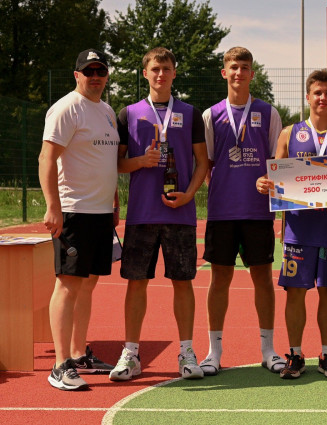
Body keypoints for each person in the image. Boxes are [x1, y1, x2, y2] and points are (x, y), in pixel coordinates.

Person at [109, 47, 208, 381]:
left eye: (166, 68)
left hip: (180, 213)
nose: (161, 74)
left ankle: (187, 352)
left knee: (183, 283)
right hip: (141, 214)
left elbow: (202, 162)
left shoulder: (190, 113)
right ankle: (131, 354)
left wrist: (189, 195)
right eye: (155, 69)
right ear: (145, 73)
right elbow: (116, 164)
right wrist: (141, 161)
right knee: (136, 284)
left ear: (174, 73)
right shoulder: (128, 114)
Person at [256, 70, 327, 379]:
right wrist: (264, 183)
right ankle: (295, 354)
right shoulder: (290, 133)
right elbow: (275, 176)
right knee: (295, 293)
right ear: (308, 97)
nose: (322, 98)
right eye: (317, 93)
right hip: (297, 231)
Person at [200, 47, 284, 376]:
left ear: (252, 73)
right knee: (219, 280)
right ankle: (214, 352)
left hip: (258, 211)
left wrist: (269, 182)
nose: (238, 72)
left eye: (244, 67)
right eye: (233, 67)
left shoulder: (268, 113)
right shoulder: (211, 115)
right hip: (222, 212)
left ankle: (268, 350)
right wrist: (225, 186)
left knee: (262, 278)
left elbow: (278, 163)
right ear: (224, 72)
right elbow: (206, 164)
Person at [39, 48, 119, 390]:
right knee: (68, 284)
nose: (95, 76)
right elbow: (46, 158)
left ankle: (78, 353)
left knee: (88, 283)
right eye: (89, 71)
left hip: (100, 213)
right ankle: (60, 365)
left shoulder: (107, 111)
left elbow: (107, 161)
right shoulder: (66, 108)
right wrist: (52, 206)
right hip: (73, 211)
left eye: (101, 70)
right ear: (77, 75)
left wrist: (114, 201)